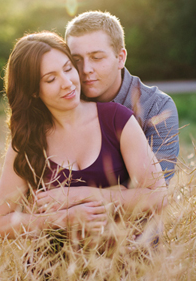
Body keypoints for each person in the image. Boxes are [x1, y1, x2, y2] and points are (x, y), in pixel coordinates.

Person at [0, 32, 167, 240]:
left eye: (68, 69)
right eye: (50, 79)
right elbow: (2, 223)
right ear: (33, 91)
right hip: (49, 269)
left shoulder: (116, 119)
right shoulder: (27, 139)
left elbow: (158, 196)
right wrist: (65, 218)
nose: (67, 83)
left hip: (120, 264)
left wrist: (82, 195)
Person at [65, 11, 179, 183]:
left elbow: (155, 191)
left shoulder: (157, 107)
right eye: (77, 59)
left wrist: (83, 196)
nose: (86, 69)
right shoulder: (63, 99)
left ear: (120, 58)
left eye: (96, 57)